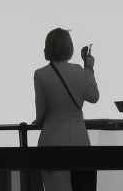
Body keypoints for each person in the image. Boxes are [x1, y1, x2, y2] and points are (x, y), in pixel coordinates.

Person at [32, 28, 100, 191]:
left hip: (52, 141)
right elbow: (93, 97)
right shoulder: (78, 70)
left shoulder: (41, 74)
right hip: (80, 140)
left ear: (48, 47)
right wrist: (89, 68)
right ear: (69, 47)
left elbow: (41, 112)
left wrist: (38, 121)